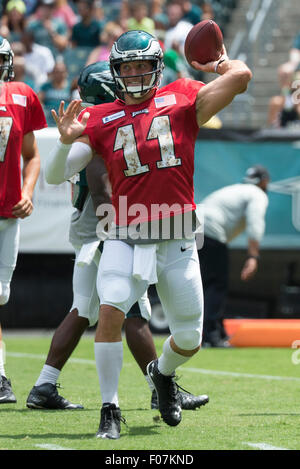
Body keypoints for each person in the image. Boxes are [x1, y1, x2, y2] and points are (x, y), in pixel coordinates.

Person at [47, 30, 251, 439]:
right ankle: (110, 409)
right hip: (124, 230)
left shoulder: (182, 96)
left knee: (190, 336)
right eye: (129, 67)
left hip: (176, 230)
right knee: (110, 311)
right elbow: (56, 174)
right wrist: (63, 143)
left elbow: (242, 76)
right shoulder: (101, 118)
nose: (137, 74)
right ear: (116, 71)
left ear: (157, 67)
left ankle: (163, 372)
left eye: (143, 65)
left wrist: (217, 65)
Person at [28, 61, 209, 412]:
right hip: (109, 226)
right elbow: (102, 193)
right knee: (121, 311)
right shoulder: (102, 125)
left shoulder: (105, 123)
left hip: (107, 225)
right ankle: (157, 389)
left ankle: (46, 384)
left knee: (93, 308)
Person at [0, 35, 47, 403]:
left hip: (7, 214)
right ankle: (1, 377)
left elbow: (32, 155)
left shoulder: (21, 95)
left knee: (0, 295)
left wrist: (27, 191)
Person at [197, 165, 270, 348]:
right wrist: (253, 257)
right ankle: (211, 335)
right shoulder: (257, 194)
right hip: (210, 232)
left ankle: (215, 332)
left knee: (206, 284)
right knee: (216, 284)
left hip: (196, 228)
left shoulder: (236, 190)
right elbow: (255, 222)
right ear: (264, 181)